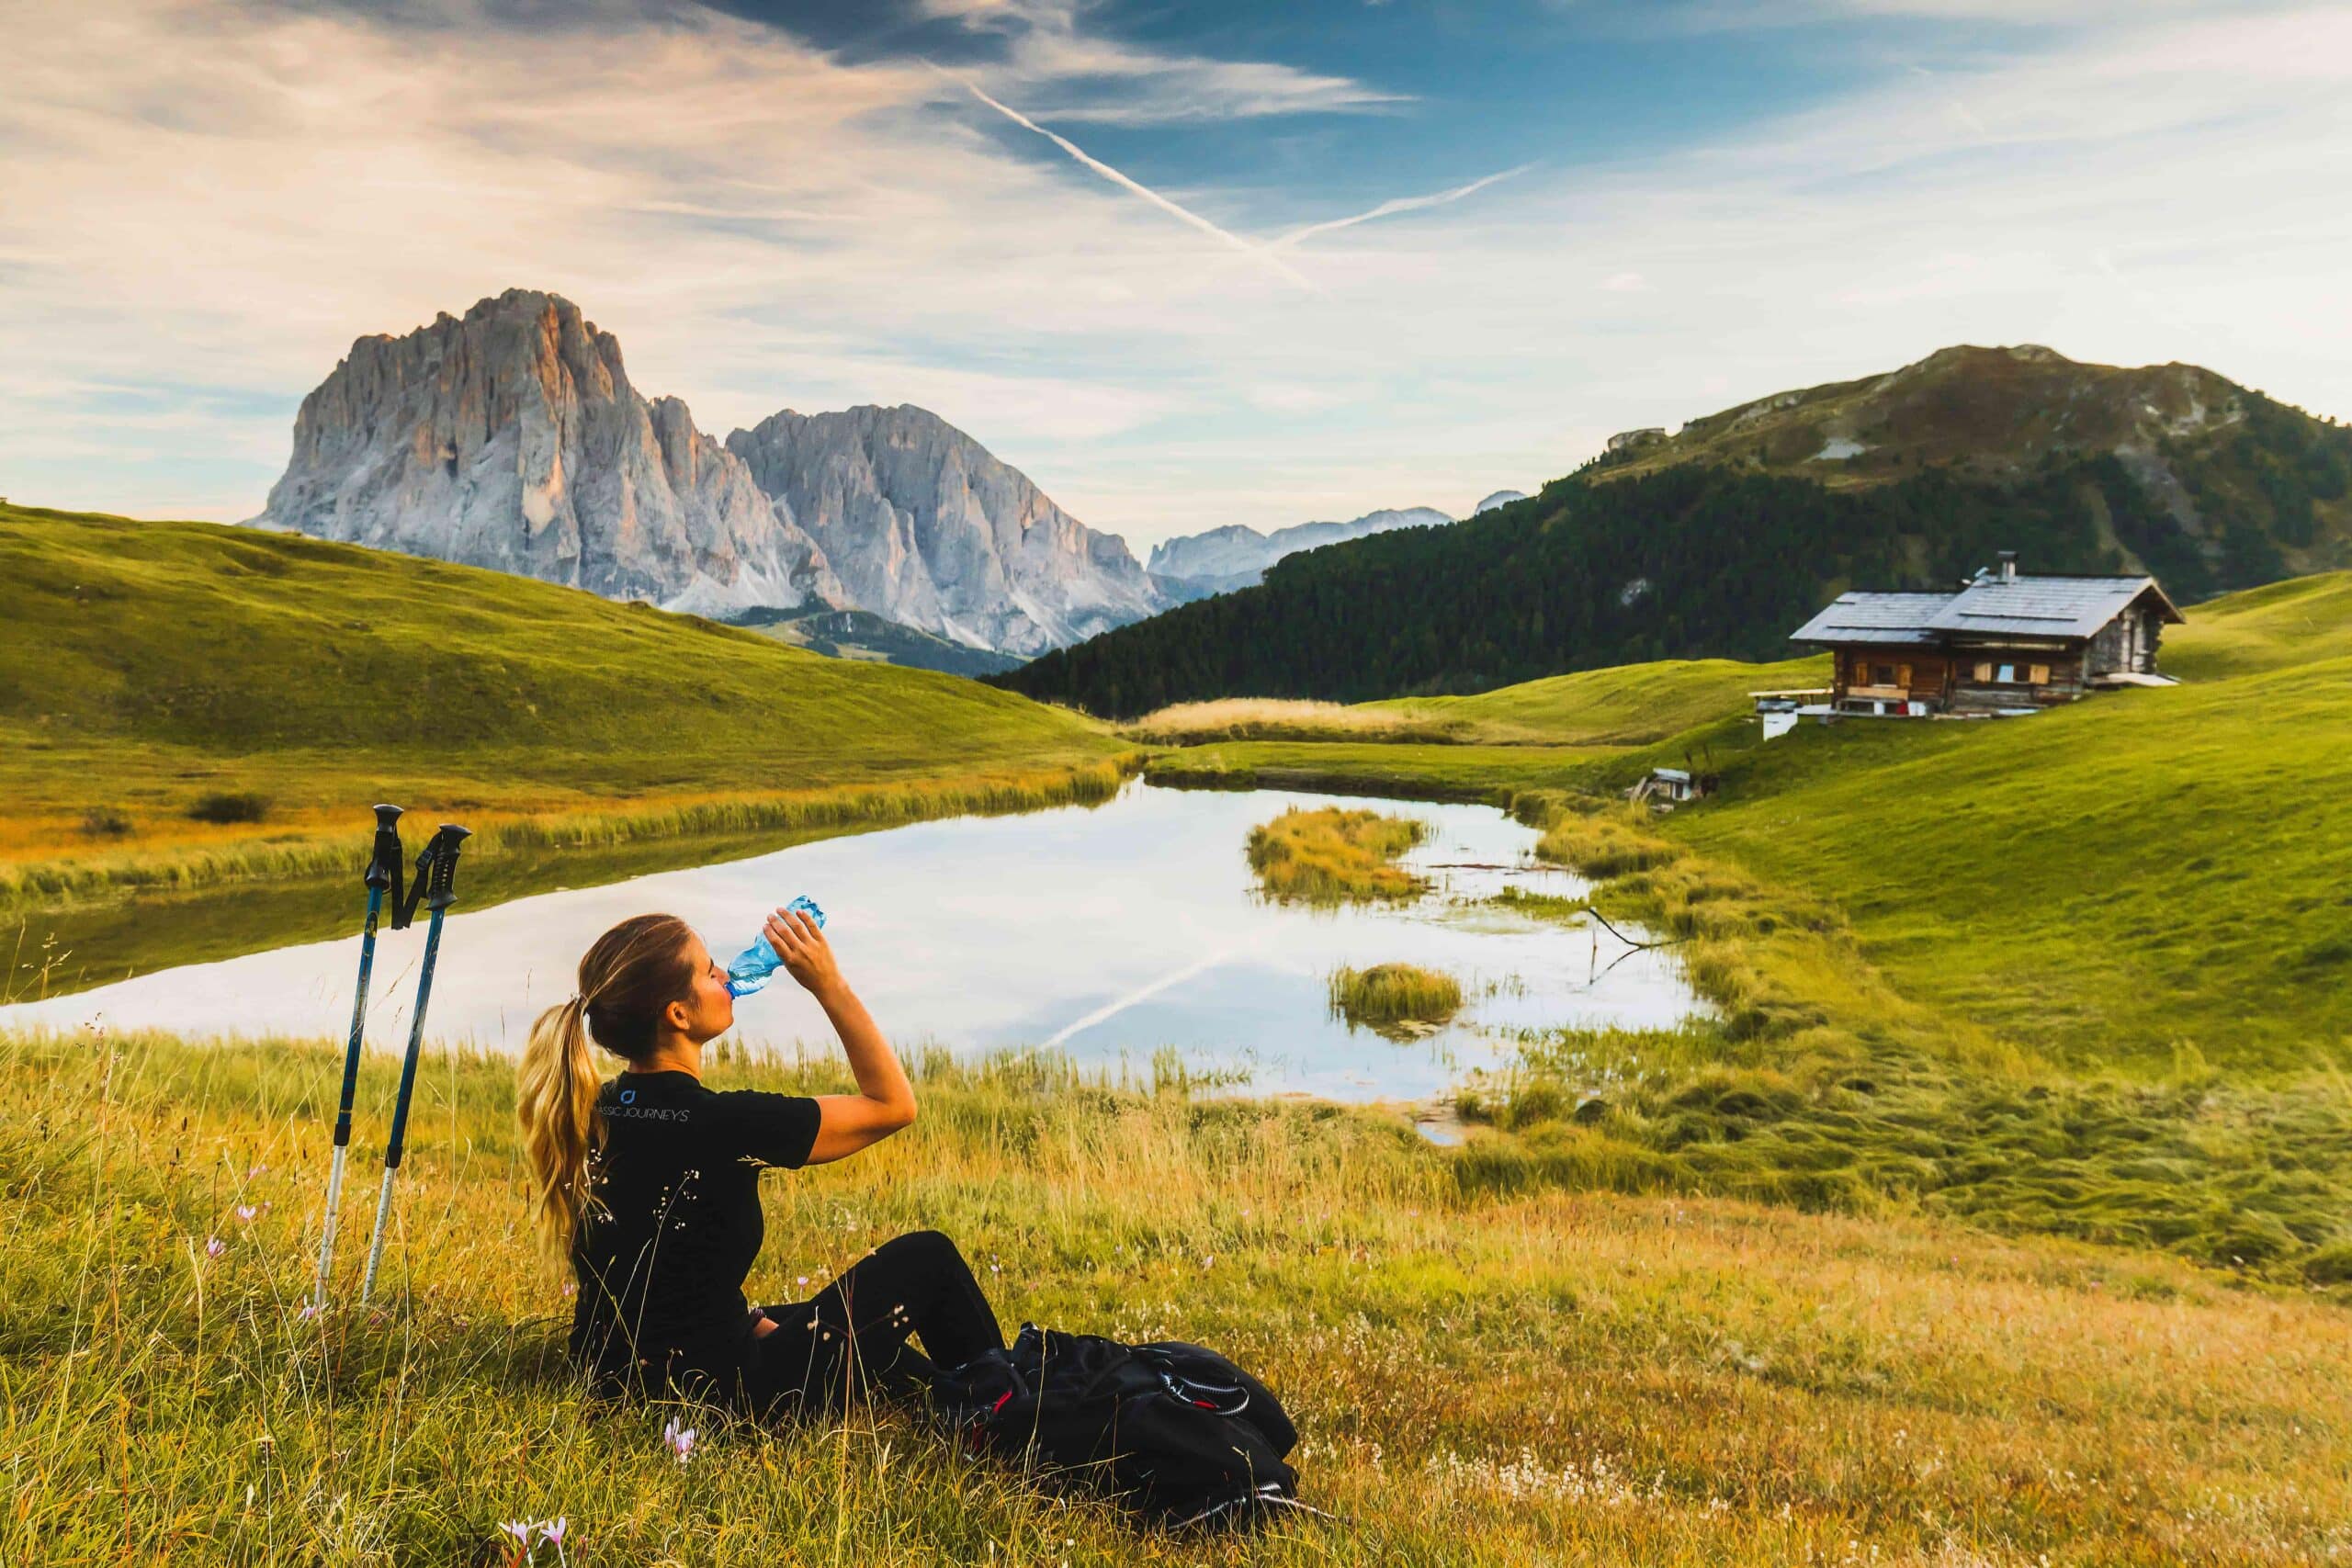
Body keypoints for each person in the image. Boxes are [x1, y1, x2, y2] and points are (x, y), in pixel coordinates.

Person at [515, 906, 1003, 1416]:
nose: (726, 976)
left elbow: (671, 1280)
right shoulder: (725, 1122)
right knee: (928, 1258)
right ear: (677, 1015)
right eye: (709, 971)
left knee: (852, 1335)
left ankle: (953, 1398)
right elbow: (893, 1105)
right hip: (719, 1396)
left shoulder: (591, 1110)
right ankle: (1012, 1414)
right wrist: (827, 985)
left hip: (613, 1376)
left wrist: (749, 1322)